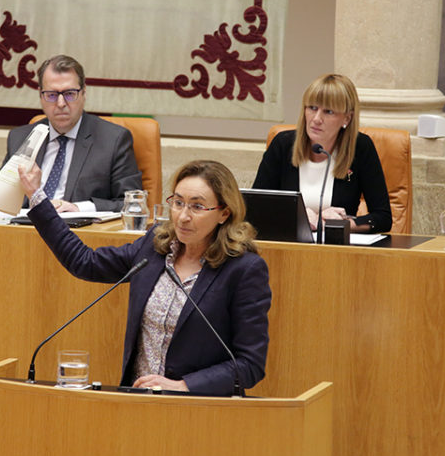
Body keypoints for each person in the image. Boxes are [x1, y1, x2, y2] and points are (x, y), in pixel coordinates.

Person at [20, 159, 272, 396]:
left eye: (197, 206)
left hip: (198, 410)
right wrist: (38, 199)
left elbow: (250, 364)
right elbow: (85, 263)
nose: (183, 216)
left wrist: (183, 385)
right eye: (178, 202)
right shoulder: (154, 248)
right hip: (138, 400)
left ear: (224, 214)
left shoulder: (243, 269)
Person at [0, 54, 142, 212]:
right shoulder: (21, 138)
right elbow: (1, 198)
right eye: (52, 95)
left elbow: (132, 204)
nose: (61, 103)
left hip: (79, 239)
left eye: (70, 94)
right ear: (41, 96)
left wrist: (78, 207)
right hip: (24, 234)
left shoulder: (113, 140)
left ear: (84, 93)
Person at [252, 73, 392, 233]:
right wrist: (299, 216)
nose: (317, 118)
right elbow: (256, 208)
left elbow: (382, 218)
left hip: (335, 250)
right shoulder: (283, 145)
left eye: (328, 112)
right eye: (312, 108)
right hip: (289, 246)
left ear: (347, 118)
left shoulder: (360, 148)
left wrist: (336, 224)